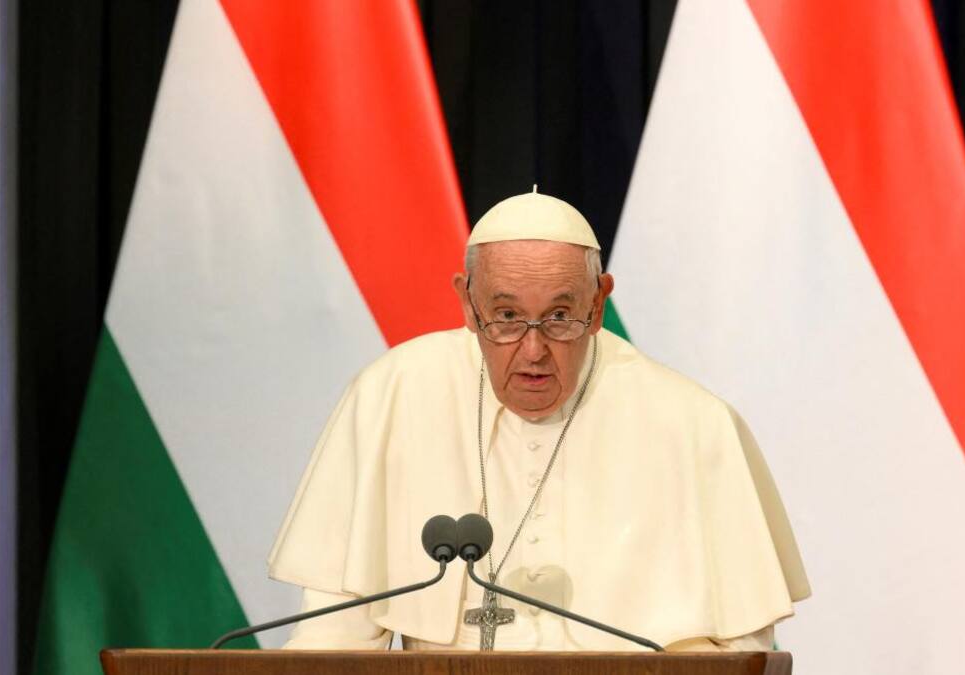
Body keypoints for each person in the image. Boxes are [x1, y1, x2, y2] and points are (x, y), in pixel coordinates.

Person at [267, 189, 810, 651]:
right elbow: (331, 636)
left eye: (558, 317)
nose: (532, 350)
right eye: (504, 318)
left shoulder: (693, 424)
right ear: (466, 302)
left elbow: (742, 650)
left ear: (598, 305)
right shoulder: (390, 395)